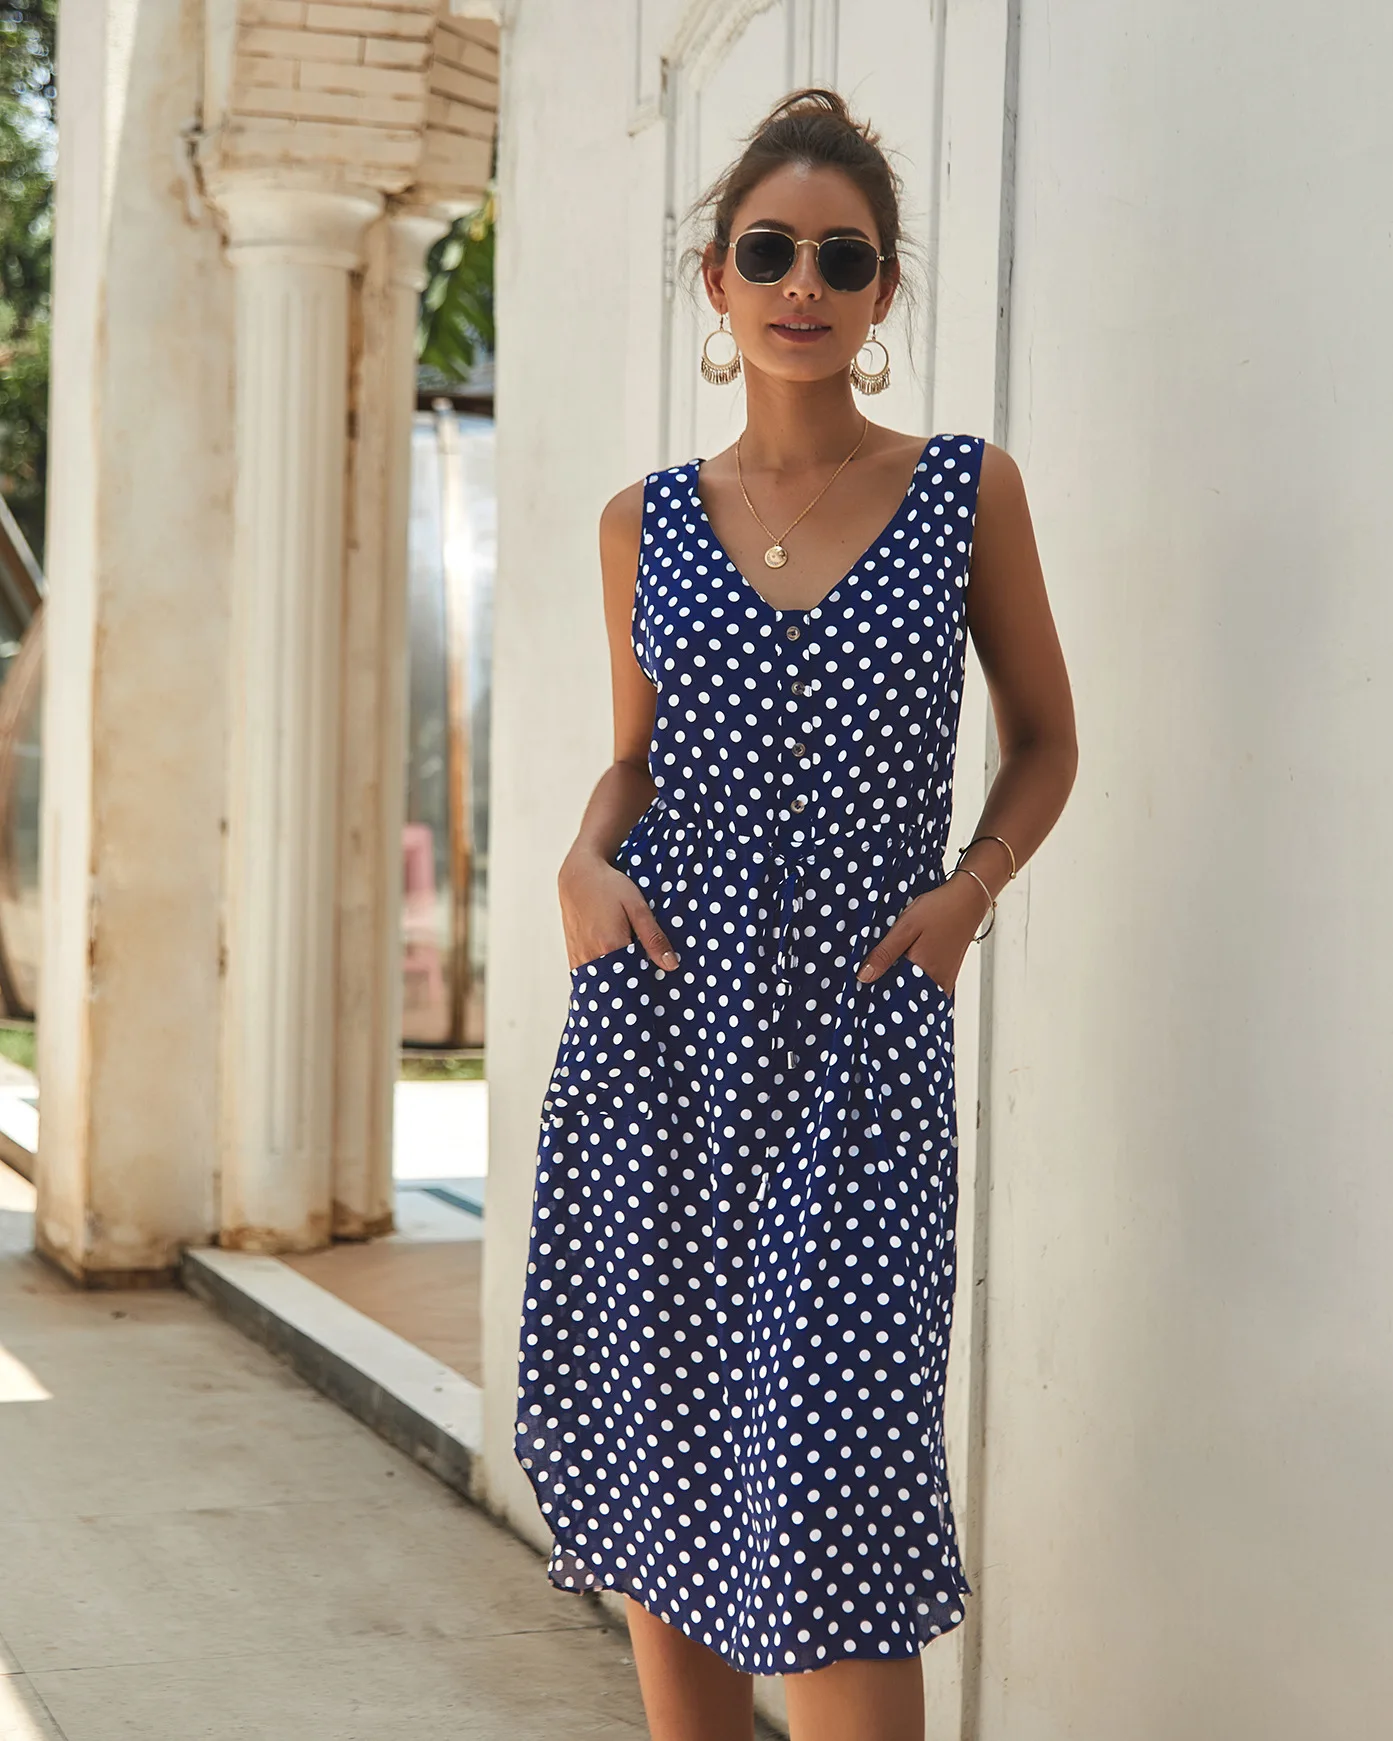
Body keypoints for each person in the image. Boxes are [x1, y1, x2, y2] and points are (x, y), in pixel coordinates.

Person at [514, 87, 1077, 1741]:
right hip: (660, 1031)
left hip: (862, 1037)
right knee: (667, 1442)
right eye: (769, 251)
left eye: (843, 255)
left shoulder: (963, 491)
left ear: (886, 288)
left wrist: (968, 895)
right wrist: (581, 862)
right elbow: (638, 763)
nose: (803, 282)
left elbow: (1047, 740)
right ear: (718, 278)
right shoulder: (642, 521)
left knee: (837, 1479)